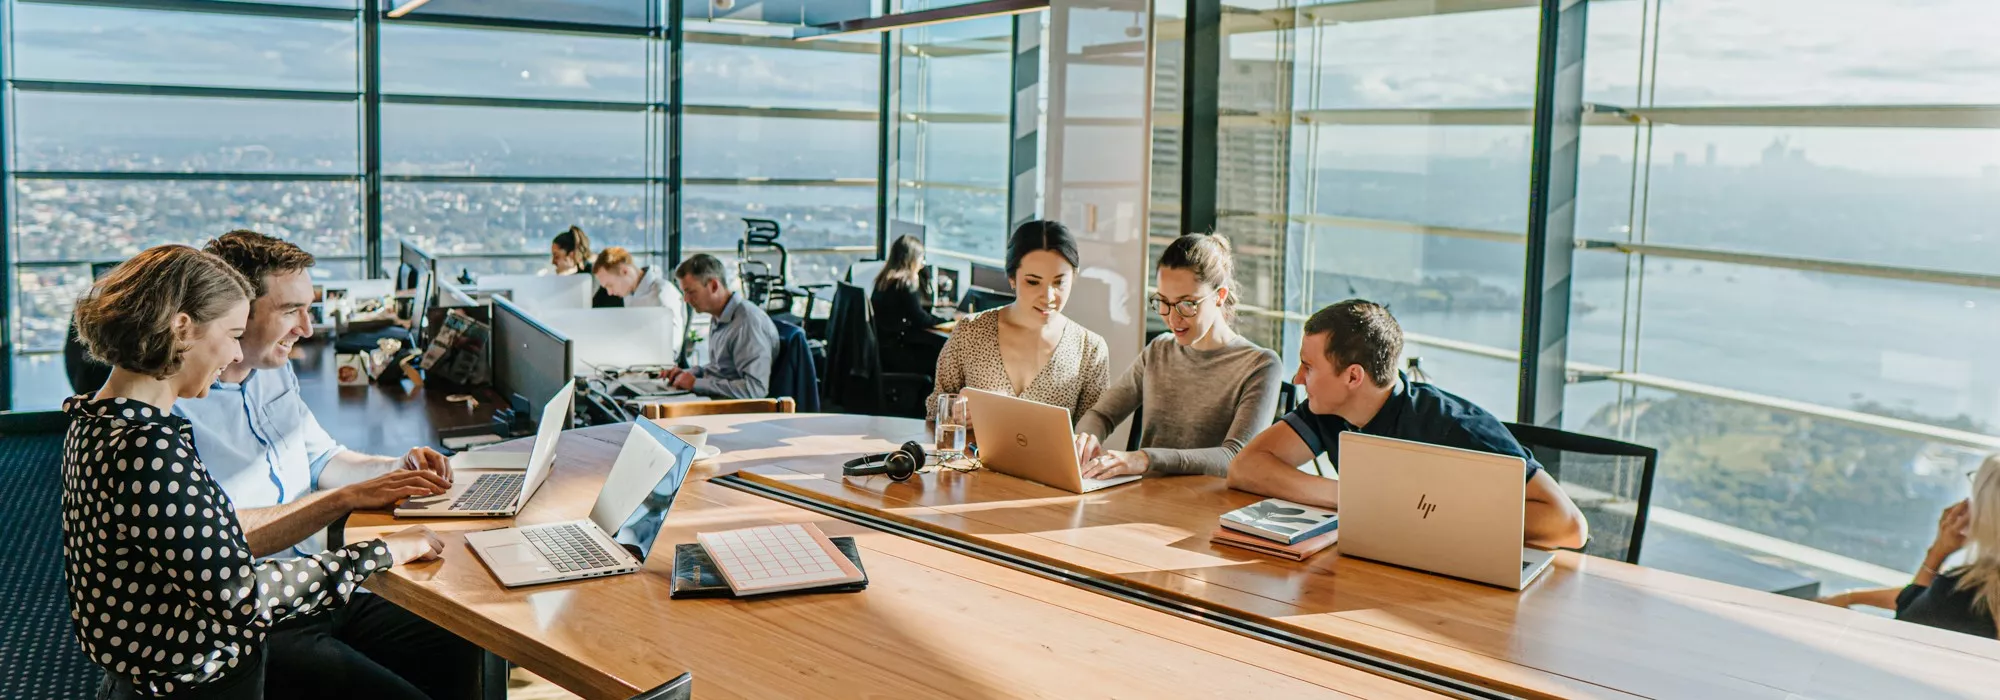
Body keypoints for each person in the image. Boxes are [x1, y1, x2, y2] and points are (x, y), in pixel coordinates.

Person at [60, 244, 446, 700]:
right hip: (199, 681)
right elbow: (240, 593)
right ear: (182, 328)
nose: (232, 353)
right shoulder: (146, 446)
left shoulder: (98, 420)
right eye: (230, 334)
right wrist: (380, 553)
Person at [175, 230, 480, 699]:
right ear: (235, 309)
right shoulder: (174, 410)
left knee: (460, 641)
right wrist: (345, 499)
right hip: (256, 613)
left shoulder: (274, 373)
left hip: (322, 582)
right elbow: (217, 542)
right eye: (290, 311)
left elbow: (320, 456)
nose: (307, 328)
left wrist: (396, 469)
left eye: (309, 308)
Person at [1225, 299, 1588, 550]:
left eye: (1309, 366)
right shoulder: (1326, 409)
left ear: (1353, 377)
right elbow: (1247, 468)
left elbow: (1569, 525)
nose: (1299, 378)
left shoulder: (1457, 427)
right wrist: (1354, 499)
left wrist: (1434, 515)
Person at [1072, 233, 1282, 479]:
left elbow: (1235, 457)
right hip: (1145, 499)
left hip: (1207, 508)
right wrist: (1086, 439)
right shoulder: (1159, 351)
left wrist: (1145, 459)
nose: (1173, 319)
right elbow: (1101, 415)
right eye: (1164, 302)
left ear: (1220, 296)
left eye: (1187, 304)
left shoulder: (1260, 365)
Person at [928, 220, 1108, 422]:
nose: (1048, 296)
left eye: (1059, 282)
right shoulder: (971, 332)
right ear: (1012, 278)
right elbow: (935, 408)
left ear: (1074, 277)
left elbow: (1090, 434)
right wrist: (954, 412)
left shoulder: (1090, 349)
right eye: (1033, 282)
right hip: (973, 454)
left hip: (1048, 455)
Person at [1820, 455, 2000, 640]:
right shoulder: (1970, 591)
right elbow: (1929, 600)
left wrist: (1937, 553)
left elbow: (1909, 620)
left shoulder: (1961, 595)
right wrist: (1851, 596)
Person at [663, 253, 778, 399]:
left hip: (728, 410)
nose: (686, 299)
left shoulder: (747, 323)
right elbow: (722, 370)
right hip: (715, 401)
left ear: (714, 285)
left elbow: (755, 390)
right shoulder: (719, 316)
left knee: (654, 414)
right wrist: (692, 373)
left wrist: (696, 384)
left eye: (691, 292)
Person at [593, 245, 686, 360]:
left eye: (610, 285)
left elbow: (672, 348)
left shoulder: (663, 292)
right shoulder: (629, 295)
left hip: (656, 367)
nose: (609, 292)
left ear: (624, 271)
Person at [871, 234, 947, 374]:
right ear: (912, 259)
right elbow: (920, 319)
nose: (922, 263)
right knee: (941, 361)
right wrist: (948, 321)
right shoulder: (905, 283)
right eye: (921, 258)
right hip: (897, 353)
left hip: (881, 351)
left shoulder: (884, 279)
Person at [550, 226, 620, 308]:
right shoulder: (585, 272)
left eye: (556, 256)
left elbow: (582, 304)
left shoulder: (592, 275)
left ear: (571, 254)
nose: (553, 262)